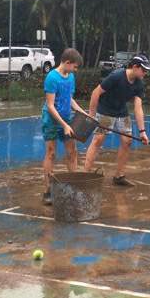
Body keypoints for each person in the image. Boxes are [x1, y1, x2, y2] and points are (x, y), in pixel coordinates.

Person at [84, 54, 150, 186]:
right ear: (134, 67)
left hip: (122, 112)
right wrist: (92, 115)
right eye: (143, 70)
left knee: (127, 141)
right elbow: (95, 93)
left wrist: (142, 131)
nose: (145, 73)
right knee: (98, 140)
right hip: (105, 111)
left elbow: (138, 108)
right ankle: (86, 174)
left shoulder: (139, 84)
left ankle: (119, 176)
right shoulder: (116, 76)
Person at [41, 48, 85, 205]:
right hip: (51, 121)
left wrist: (82, 113)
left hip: (66, 119)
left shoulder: (70, 76)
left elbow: (70, 99)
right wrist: (65, 125)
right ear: (67, 62)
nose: (75, 69)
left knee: (72, 151)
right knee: (51, 153)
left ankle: (73, 187)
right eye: (74, 66)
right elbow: (50, 106)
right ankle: (47, 190)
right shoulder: (52, 78)